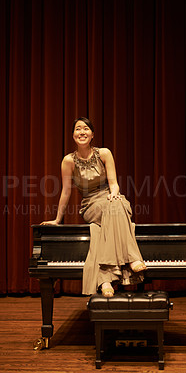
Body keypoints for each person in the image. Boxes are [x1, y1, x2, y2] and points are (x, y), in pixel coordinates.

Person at [41, 117, 146, 297]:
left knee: (113, 209)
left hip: (109, 197)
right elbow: (66, 192)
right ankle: (132, 259)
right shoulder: (68, 161)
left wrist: (114, 193)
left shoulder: (104, 153)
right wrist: (58, 219)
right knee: (116, 207)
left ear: (92, 135)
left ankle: (106, 280)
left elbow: (114, 183)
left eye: (86, 129)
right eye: (78, 129)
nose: (82, 132)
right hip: (90, 204)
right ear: (73, 135)